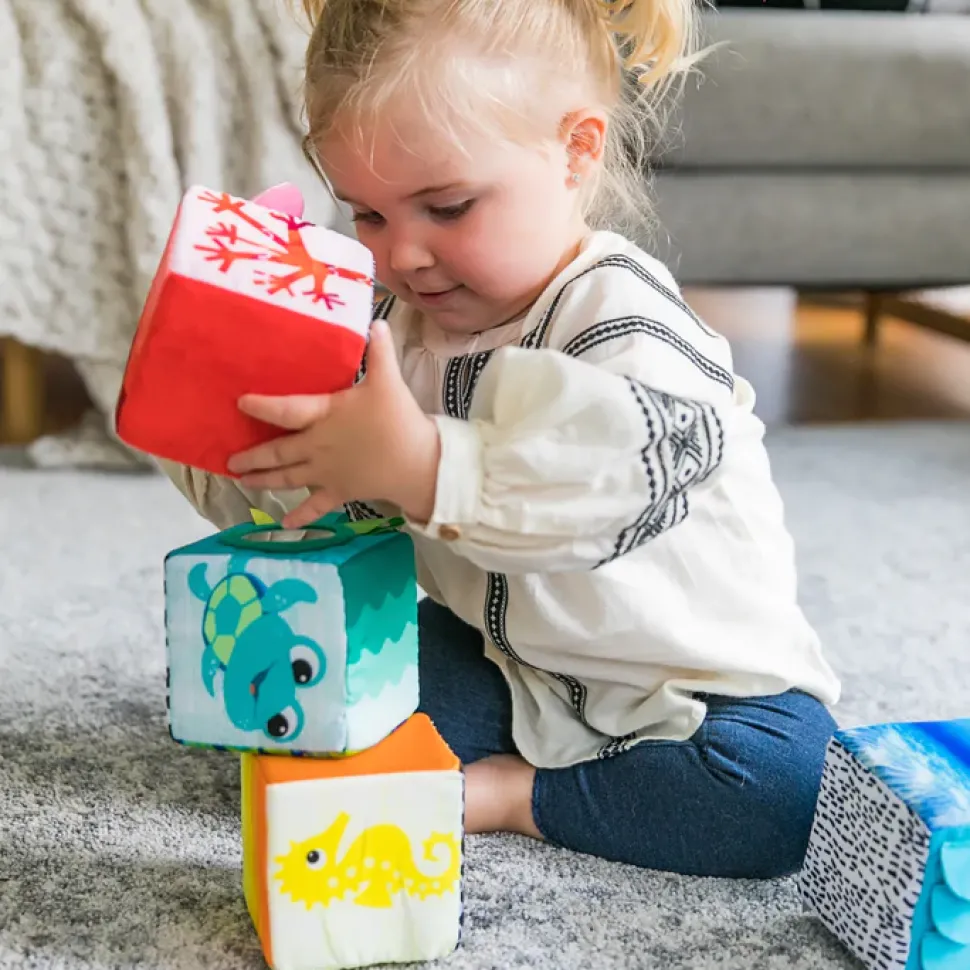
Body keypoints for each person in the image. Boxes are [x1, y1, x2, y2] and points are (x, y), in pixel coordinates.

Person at [157, 0, 841, 879]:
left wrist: (425, 465)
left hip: (698, 697)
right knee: (313, 712)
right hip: (509, 668)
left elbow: (610, 483)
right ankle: (508, 764)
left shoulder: (620, 317)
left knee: (796, 794)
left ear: (575, 152)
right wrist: (226, 427)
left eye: (445, 206)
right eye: (366, 215)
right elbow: (334, 498)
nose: (402, 254)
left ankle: (514, 797)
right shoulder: (393, 326)